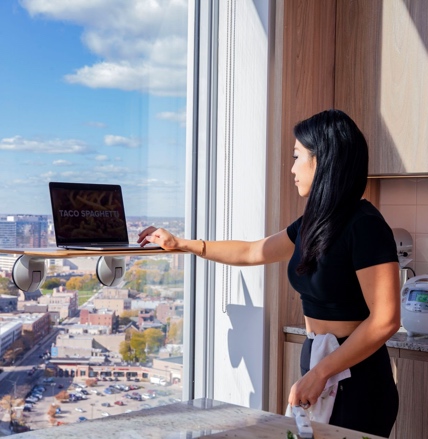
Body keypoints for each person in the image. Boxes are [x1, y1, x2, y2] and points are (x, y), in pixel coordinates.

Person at [137, 109, 400, 437]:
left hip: (355, 379)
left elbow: (386, 319)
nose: (291, 168)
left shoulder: (366, 226)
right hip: (318, 361)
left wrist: (320, 373)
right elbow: (251, 251)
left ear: (323, 160)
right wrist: (183, 244)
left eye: (297, 156)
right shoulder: (312, 224)